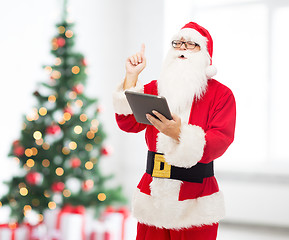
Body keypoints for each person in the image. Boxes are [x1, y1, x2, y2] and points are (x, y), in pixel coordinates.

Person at [113, 22, 236, 240]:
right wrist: (131, 77)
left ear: (205, 54)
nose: (182, 48)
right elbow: (128, 123)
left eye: (191, 44)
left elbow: (220, 141)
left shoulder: (222, 95)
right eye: (178, 43)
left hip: (195, 201)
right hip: (154, 198)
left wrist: (179, 133)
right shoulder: (154, 88)